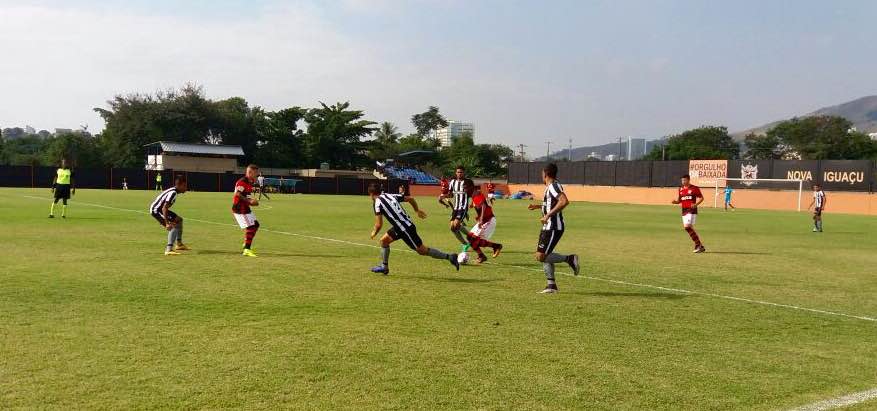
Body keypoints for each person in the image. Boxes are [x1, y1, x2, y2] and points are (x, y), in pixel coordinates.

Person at [368, 183, 460, 275]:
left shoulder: (377, 203)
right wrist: (416, 210)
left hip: (405, 229)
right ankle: (384, 267)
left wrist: (374, 232)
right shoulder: (389, 195)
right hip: (400, 227)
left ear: (371, 194)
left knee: (422, 250)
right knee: (384, 241)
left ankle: (450, 257)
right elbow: (410, 199)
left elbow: (379, 224)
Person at [527, 163, 580, 294]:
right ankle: (551, 285)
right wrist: (538, 207)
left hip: (553, 226)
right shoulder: (550, 187)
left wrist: (548, 215)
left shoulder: (553, 186)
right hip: (548, 226)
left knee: (541, 256)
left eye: (542, 173)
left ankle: (570, 259)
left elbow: (564, 201)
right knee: (545, 254)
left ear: (545, 173)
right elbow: (551, 204)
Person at [149, 176, 190, 255]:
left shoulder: (174, 191)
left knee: (179, 220)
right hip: (156, 210)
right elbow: (164, 208)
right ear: (179, 185)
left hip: (161, 209)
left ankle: (179, 244)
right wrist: (167, 223)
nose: (186, 188)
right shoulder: (173, 193)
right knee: (173, 226)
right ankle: (169, 249)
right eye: (184, 186)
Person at [465, 180, 503, 264]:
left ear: (470, 187)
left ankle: (496, 246)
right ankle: (482, 256)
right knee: (470, 237)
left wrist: (481, 218)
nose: (464, 190)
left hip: (488, 220)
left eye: (465, 188)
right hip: (484, 220)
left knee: (475, 240)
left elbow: (483, 205)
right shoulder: (474, 195)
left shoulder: (476, 194)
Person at [672, 174, 706, 253]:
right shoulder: (680, 189)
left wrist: (696, 204)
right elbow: (680, 200)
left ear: (688, 180)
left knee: (687, 227)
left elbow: (701, 198)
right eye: (682, 180)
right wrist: (675, 202)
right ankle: (700, 246)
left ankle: (698, 245)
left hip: (691, 210)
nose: (683, 181)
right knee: (689, 228)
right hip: (684, 211)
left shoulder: (694, 188)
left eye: (684, 180)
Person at [233, 164, 261, 257]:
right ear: (250, 172)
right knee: (251, 227)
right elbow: (238, 194)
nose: (257, 175)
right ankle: (246, 249)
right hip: (240, 208)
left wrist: (251, 201)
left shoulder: (250, 181)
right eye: (256, 173)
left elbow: (246, 195)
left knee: (256, 224)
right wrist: (249, 201)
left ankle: (246, 243)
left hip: (245, 207)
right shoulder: (242, 181)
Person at [444, 167, 472, 252]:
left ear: (464, 173)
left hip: (463, 207)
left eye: (461, 172)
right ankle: (466, 243)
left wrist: (468, 191)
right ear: (456, 173)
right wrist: (444, 196)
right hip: (455, 208)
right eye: (458, 172)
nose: (459, 173)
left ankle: (471, 238)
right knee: (452, 228)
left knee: (456, 224)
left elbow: (472, 193)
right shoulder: (453, 182)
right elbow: (450, 194)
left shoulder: (468, 182)